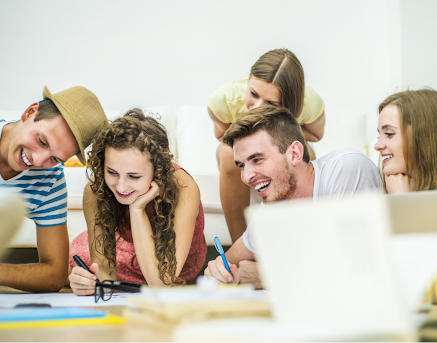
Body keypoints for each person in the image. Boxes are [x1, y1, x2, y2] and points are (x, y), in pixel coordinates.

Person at [204, 106, 380, 287]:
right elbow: (228, 261)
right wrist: (217, 270)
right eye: (241, 165)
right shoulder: (273, 205)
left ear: (294, 154)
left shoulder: (346, 169)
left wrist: (266, 276)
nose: (246, 177)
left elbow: (355, 270)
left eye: (257, 160)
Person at [68, 109, 206, 294]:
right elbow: (106, 276)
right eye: (112, 172)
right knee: (79, 255)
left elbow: (162, 284)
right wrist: (88, 284)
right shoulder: (97, 189)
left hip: (174, 269)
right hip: (128, 257)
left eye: (134, 176)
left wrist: (137, 209)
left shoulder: (185, 188)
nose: (121, 187)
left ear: (158, 170)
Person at [207, 48, 326, 243]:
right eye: (253, 94)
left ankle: (302, 239)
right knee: (228, 153)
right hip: (243, 149)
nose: (258, 107)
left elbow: (315, 134)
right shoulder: (222, 100)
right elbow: (223, 136)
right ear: (248, 81)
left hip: (282, 140)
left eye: (271, 103)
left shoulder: (309, 102)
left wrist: (278, 132)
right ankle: (243, 245)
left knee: (305, 152)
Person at [0, 86, 107, 292]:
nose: (38, 160)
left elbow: (55, 275)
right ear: (30, 112)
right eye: (41, 140)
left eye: (55, 158)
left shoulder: (51, 181)